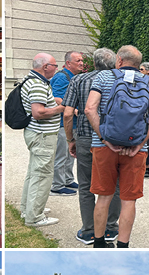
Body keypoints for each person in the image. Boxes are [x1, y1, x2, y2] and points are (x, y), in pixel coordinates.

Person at [84, 45, 149, 248]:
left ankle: (99, 243)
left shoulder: (103, 78)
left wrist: (105, 138)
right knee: (129, 200)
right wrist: (140, 145)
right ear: (139, 64)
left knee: (103, 197)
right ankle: (123, 246)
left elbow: (90, 109)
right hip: (136, 149)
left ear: (119, 60)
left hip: (104, 147)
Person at [63, 47, 121, 245]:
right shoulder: (120, 79)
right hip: (114, 139)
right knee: (115, 185)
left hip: (86, 138)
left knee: (86, 185)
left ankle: (89, 230)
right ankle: (111, 227)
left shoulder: (78, 80)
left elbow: (68, 113)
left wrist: (71, 139)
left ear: (94, 63)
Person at [19, 53, 65, 227]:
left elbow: (39, 102)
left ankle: (28, 209)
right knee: (42, 174)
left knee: (34, 173)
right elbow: (38, 112)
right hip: (43, 135)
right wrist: (61, 108)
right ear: (45, 66)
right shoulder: (38, 84)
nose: (56, 68)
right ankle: (35, 217)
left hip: (36, 134)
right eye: (54, 65)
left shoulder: (31, 80)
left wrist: (53, 101)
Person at [50, 51, 84, 196]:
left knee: (71, 153)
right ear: (68, 63)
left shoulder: (74, 77)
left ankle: (68, 179)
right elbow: (56, 98)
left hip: (73, 123)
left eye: (82, 60)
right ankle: (57, 186)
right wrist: (74, 109)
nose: (82, 63)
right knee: (62, 154)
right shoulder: (61, 77)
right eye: (78, 60)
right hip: (63, 123)